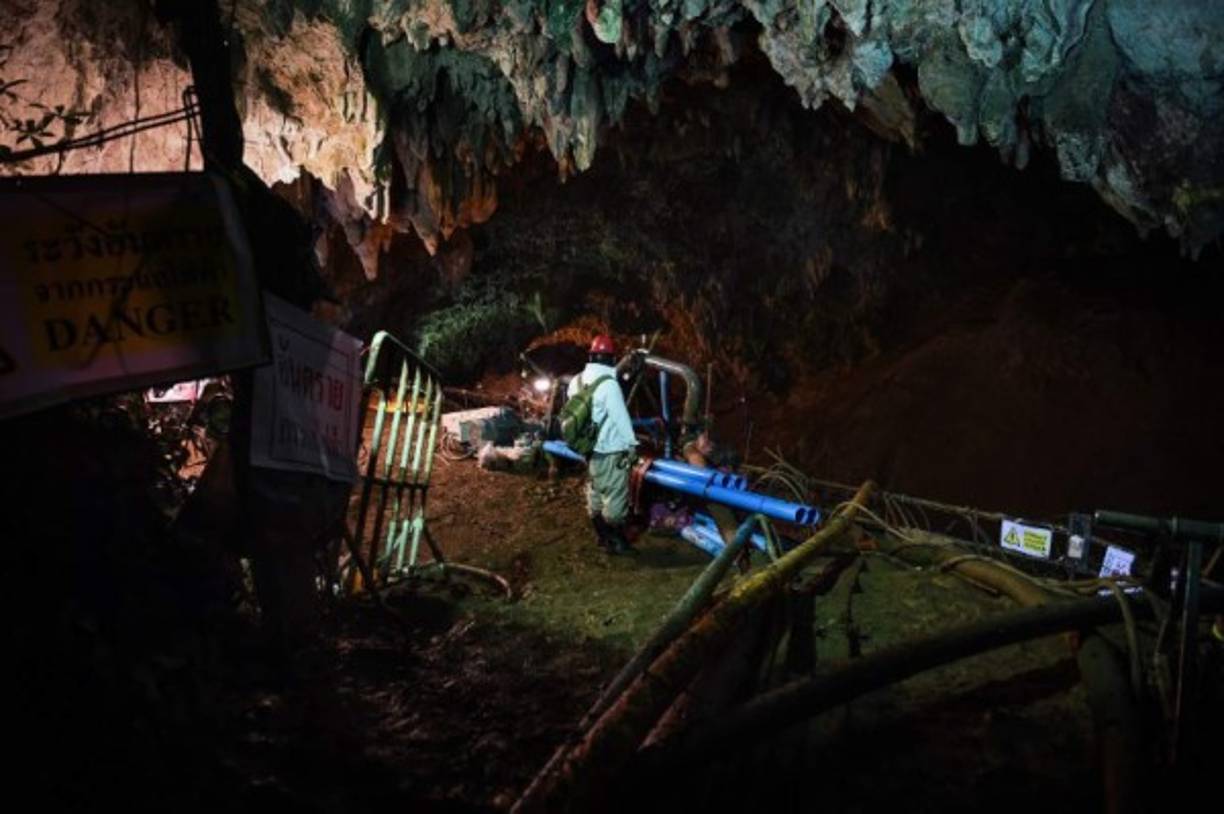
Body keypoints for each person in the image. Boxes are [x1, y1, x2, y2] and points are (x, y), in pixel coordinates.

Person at [568, 334, 637, 554]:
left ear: (591, 356)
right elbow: (620, 418)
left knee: (596, 491)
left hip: (587, 450)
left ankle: (601, 536)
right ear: (610, 359)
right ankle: (617, 542)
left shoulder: (575, 381)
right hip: (610, 450)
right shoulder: (609, 385)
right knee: (615, 498)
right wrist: (632, 444)